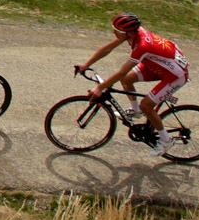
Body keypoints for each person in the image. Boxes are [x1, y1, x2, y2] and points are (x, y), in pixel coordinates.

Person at [75, 13, 188, 155]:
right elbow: (107, 49)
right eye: (114, 29)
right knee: (127, 80)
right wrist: (87, 64)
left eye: (118, 31)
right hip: (159, 65)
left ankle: (166, 141)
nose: (114, 33)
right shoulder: (133, 33)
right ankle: (136, 111)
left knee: (146, 105)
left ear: (130, 33)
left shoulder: (142, 46)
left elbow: (122, 71)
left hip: (175, 76)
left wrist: (100, 88)